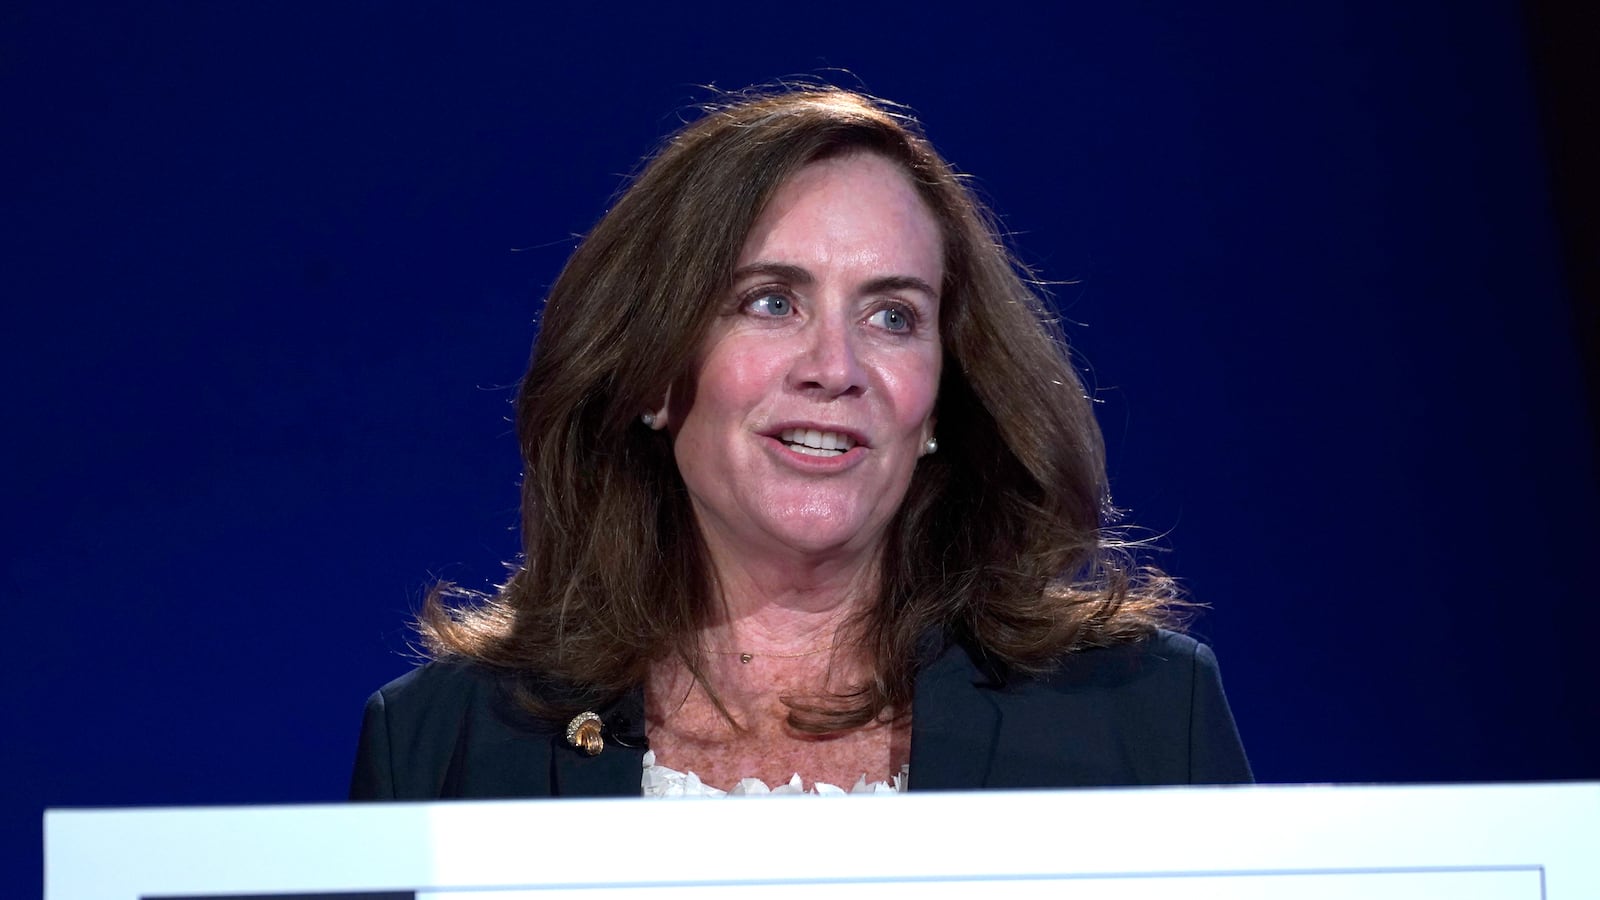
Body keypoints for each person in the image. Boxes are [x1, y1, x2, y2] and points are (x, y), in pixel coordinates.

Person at [350, 85, 1250, 800]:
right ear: (655, 375)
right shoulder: (442, 747)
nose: (836, 366)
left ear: (940, 399)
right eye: (772, 301)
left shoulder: (1145, 716)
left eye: (893, 316)